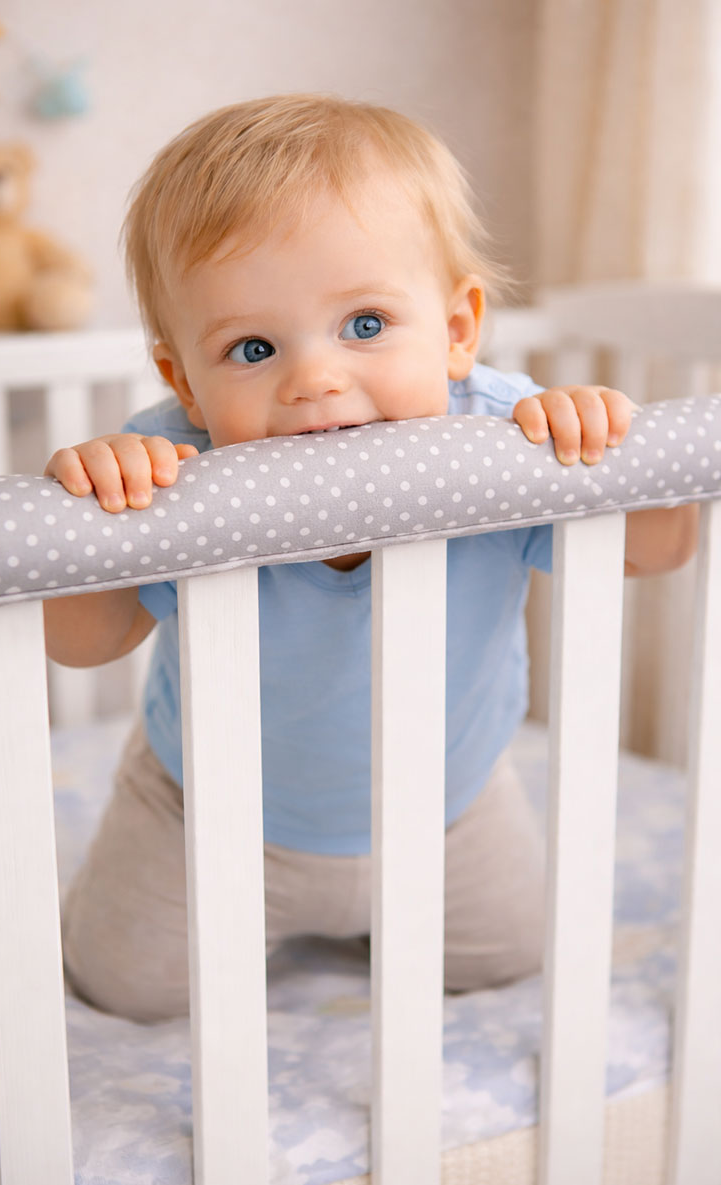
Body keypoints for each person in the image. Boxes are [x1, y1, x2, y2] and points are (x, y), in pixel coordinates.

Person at [44, 94, 697, 1022]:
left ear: (461, 328)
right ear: (184, 380)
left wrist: (617, 461)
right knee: (120, 987)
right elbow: (82, 643)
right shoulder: (172, 468)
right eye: (253, 347)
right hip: (210, 817)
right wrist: (95, 521)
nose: (314, 378)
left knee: (510, 960)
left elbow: (658, 551)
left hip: (449, 810)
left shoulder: (509, 440)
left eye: (364, 325)